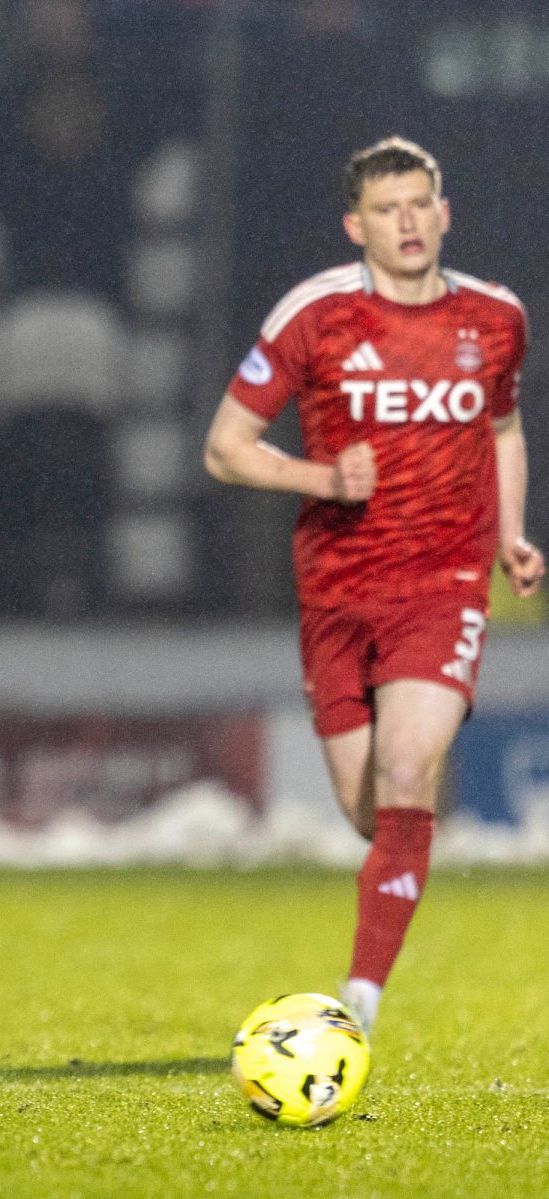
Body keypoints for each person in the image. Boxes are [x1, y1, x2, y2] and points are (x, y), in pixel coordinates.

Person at [203, 136, 544, 1034]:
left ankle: (358, 1002)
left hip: (447, 583)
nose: (407, 222)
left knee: (403, 769)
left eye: (420, 203)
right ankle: (417, 815)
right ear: (357, 225)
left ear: (444, 212)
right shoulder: (314, 316)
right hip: (337, 591)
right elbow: (224, 447)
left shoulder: (496, 319)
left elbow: (504, 428)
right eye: (388, 209)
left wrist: (510, 533)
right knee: (373, 812)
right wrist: (321, 478)